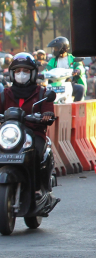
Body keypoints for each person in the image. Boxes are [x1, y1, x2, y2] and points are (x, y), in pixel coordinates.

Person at [3, 53, 55, 197]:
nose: (21, 74)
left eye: (25, 71)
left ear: (33, 73)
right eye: (18, 71)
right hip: (9, 135)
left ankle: (36, 188)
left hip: (33, 134)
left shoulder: (42, 94)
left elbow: (49, 112)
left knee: (35, 153)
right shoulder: (4, 94)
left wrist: (47, 116)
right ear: (12, 74)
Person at [45, 37, 86, 102]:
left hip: (69, 83)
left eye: (56, 48)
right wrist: (41, 74)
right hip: (55, 85)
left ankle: (75, 107)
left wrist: (78, 70)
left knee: (81, 88)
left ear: (62, 48)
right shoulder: (53, 61)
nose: (54, 50)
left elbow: (79, 66)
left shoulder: (72, 58)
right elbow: (46, 69)